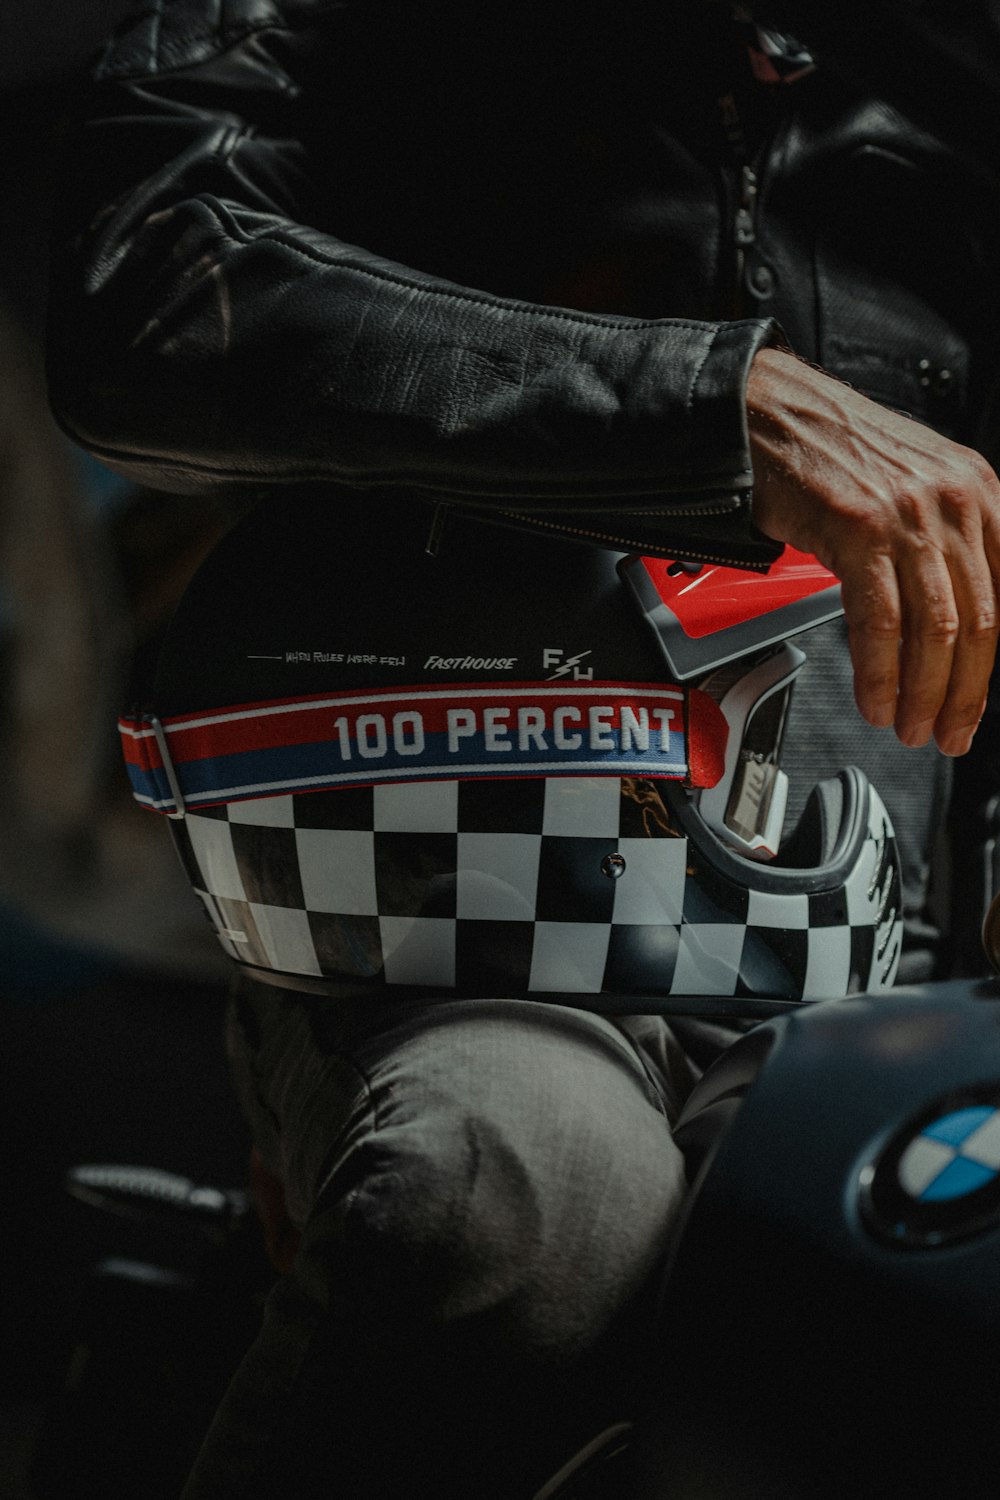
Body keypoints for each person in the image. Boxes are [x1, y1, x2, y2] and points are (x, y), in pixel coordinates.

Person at [43, 2, 1000, 1493]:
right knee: (512, 1201)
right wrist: (710, 403)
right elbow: (148, 290)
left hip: (900, 961)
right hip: (452, 928)